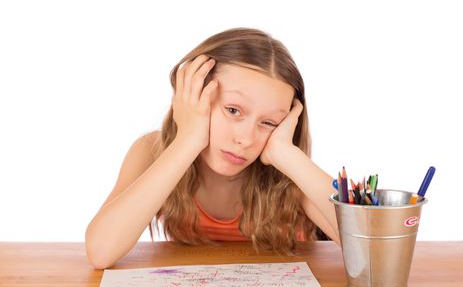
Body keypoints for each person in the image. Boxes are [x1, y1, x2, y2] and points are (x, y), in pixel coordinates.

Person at [85, 27, 340, 269]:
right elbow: (100, 251)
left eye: (269, 122)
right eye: (233, 110)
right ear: (192, 95)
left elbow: (376, 256)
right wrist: (188, 140)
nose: (246, 139)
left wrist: (287, 154)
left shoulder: (288, 172)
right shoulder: (152, 151)